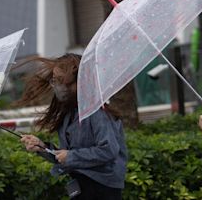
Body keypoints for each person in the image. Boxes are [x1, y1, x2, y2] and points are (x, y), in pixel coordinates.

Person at [14, 53, 127, 200]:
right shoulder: (69, 112)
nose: (57, 86)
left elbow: (108, 150)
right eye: (54, 80)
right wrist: (41, 147)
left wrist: (70, 156)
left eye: (61, 81)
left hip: (101, 188)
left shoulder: (97, 111)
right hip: (81, 186)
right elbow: (66, 155)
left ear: (78, 82)